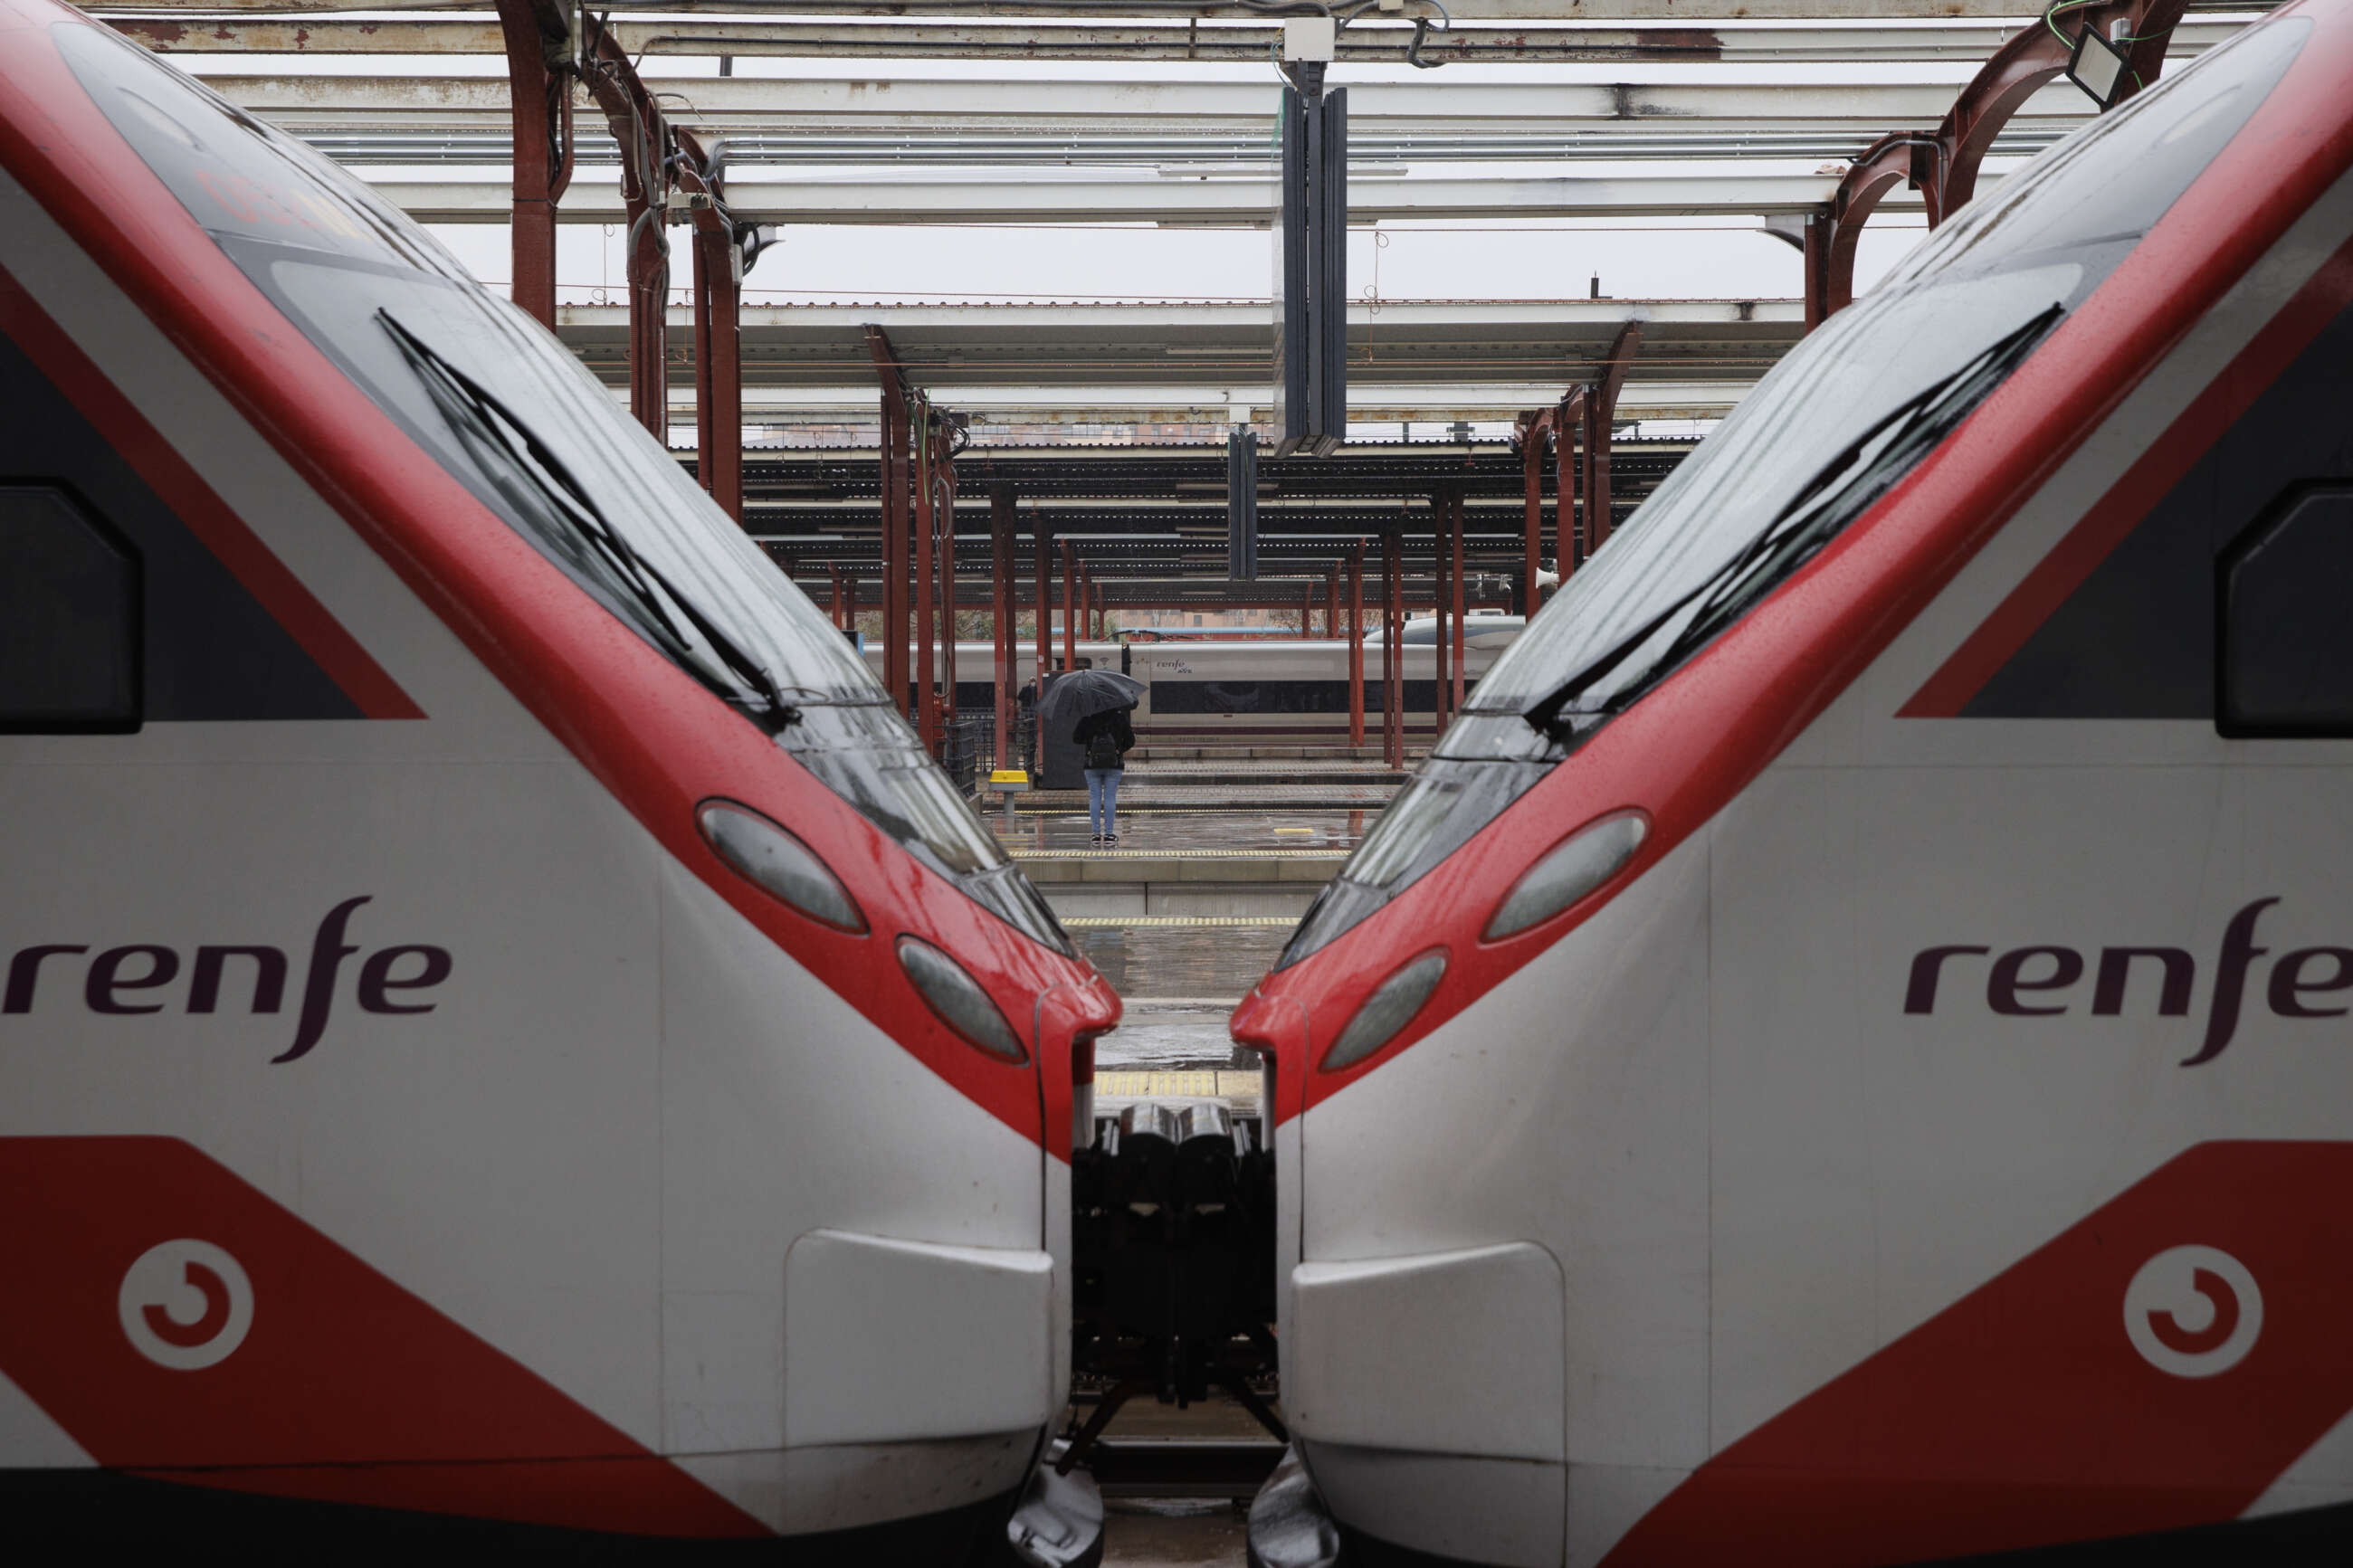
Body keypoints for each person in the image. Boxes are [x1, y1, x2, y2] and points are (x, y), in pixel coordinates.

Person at [1073, 704, 1135, 846]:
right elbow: (1131, 740)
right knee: (1110, 797)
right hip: (1114, 764)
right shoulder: (1120, 718)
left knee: (1094, 797)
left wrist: (1090, 742)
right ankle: (1109, 835)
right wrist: (1118, 749)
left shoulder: (1088, 719)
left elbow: (1076, 738)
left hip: (1091, 764)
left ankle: (1095, 835)